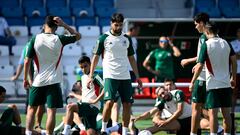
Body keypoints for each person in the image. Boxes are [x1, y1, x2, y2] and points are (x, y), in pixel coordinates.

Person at [23, 15, 81, 135]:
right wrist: (64, 24)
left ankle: (28, 133)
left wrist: (25, 79)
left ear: (44, 26)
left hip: (37, 81)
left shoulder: (35, 39)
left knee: (31, 108)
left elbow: (27, 61)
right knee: (51, 112)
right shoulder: (59, 39)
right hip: (54, 81)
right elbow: (78, 36)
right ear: (56, 27)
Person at [87, 13, 142, 135]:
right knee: (109, 103)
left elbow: (132, 59)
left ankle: (125, 131)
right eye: (116, 25)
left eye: (120, 25)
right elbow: (95, 58)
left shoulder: (126, 38)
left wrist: (137, 77)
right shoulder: (104, 38)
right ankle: (103, 129)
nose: (118, 27)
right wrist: (91, 76)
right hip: (110, 76)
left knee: (127, 104)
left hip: (125, 76)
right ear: (111, 24)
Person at [190, 22, 237, 135]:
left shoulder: (206, 44)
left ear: (206, 31)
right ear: (217, 31)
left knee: (213, 114)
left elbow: (200, 66)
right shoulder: (226, 43)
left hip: (213, 85)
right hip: (226, 84)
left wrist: (192, 81)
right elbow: (234, 62)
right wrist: (233, 77)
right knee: (227, 114)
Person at [180, 12, 210, 135]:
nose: (195, 26)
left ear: (202, 23)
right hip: (213, 78)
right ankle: (218, 130)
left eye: (196, 24)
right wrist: (194, 62)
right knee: (211, 109)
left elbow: (202, 58)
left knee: (195, 108)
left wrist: (193, 78)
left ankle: (193, 133)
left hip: (202, 77)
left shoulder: (204, 37)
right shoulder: (216, 37)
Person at [10, 41, 45, 133]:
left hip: (41, 80)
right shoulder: (29, 46)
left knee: (39, 105)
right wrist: (27, 79)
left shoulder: (42, 45)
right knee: (32, 106)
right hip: (34, 81)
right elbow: (25, 63)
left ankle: (36, 126)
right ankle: (29, 129)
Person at [230, 27, 240, 133]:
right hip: (235, 73)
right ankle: (231, 116)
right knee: (233, 95)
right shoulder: (232, 43)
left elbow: (236, 56)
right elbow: (232, 57)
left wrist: (237, 55)